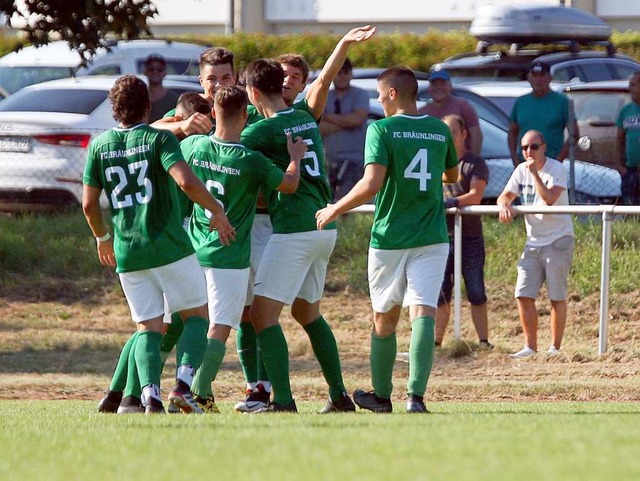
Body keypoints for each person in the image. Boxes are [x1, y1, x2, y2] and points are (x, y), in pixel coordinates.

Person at [233, 25, 377, 413]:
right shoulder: (305, 120)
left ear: (252, 92)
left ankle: (282, 400)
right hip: (323, 226)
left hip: (294, 229)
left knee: (261, 317)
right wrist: (344, 43)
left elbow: (230, 154)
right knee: (306, 312)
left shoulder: (262, 131)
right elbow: (324, 81)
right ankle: (338, 397)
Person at [83, 75, 235, 414]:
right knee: (197, 316)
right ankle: (182, 385)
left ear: (114, 109)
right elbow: (185, 181)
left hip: (126, 250)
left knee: (147, 328)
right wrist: (216, 210)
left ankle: (146, 396)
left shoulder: (99, 144)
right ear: (148, 106)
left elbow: (89, 204)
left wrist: (102, 237)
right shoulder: (158, 139)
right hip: (168, 245)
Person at [316, 66, 459, 413]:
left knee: (385, 318)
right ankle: (416, 398)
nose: (378, 100)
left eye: (380, 94)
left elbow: (371, 184)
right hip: (432, 235)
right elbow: (451, 175)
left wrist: (335, 207)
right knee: (423, 311)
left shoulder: (380, 128)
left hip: (390, 236)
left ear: (392, 94)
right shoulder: (439, 129)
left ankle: (381, 396)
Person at [180, 85, 307, 412]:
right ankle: (195, 391)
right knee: (220, 326)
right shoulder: (251, 160)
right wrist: (295, 159)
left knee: (194, 320)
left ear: (212, 113)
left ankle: (191, 390)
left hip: (195, 249)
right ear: (243, 115)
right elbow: (289, 185)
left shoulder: (194, 145)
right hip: (229, 253)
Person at [497, 129, 574, 358]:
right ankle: (530, 347)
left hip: (559, 238)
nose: (528, 152)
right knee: (522, 293)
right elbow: (505, 195)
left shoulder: (556, 168)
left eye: (533, 147)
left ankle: (555, 348)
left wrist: (535, 175)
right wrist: (504, 204)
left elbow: (549, 199)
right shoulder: (521, 170)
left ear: (544, 147)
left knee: (556, 295)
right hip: (533, 241)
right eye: (524, 148)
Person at [436, 114, 491, 348]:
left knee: (476, 290)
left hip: (469, 237)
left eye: (453, 132)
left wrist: (451, 203)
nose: (449, 137)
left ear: (464, 134)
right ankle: (436, 342)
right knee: (441, 292)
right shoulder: (435, 161)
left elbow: (476, 196)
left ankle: (483, 342)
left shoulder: (474, 163)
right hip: (440, 236)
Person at [151, 47, 237, 138]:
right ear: (201, 81)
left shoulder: (244, 110)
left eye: (225, 78)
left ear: (234, 78)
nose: (219, 85)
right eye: (212, 79)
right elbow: (152, 129)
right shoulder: (193, 107)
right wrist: (183, 125)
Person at [508, 61, 579, 167]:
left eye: (542, 75)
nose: (538, 79)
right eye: (535, 75)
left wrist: (558, 160)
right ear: (529, 78)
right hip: (525, 163)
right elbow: (512, 132)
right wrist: (515, 159)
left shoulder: (562, 102)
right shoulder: (521, 102)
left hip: (551, 162)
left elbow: (574, 134)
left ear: (550, 77)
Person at [319, 57, 369, 200]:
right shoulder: (325, 95)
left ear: (351, 74)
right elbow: (318, 127)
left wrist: (328, 116)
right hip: (328, 159)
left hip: (354, 159)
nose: (341, 76)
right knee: (326, 200)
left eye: (345, 72)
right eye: (338, 72)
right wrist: (346, 121)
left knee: (347, 201)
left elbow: (358, 119)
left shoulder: (360, 94)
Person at [419, 67, 482, 154]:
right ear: (429, 87)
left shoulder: (463, 106)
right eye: (434, 84)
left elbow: (476, 134)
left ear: (450, 86)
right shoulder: (422, 112)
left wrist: (472, 160)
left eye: (442, 83)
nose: (438, 87)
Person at [617, 71, 640, 205]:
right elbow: (619, 140)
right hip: (630, 171)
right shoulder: (626, 110)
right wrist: (620, 166)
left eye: (633, 85)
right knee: (630, 208)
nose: (630, 89)